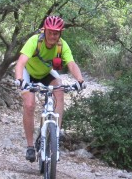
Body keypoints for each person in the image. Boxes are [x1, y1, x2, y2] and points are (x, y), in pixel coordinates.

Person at [13, 15, 86, 162]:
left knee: (59, 91)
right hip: (29, 72)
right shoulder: (34, 41)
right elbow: (21, 62)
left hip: (46, 73)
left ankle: (55, 136)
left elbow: (71, 64)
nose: (53, 36)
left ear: (60, 33)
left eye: (56, 33)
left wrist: (80, 80)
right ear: (44, 30)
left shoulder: (62, 45)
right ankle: (29, 146)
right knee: (29, 104)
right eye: (50, 32)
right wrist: (19, 80)